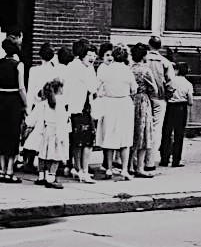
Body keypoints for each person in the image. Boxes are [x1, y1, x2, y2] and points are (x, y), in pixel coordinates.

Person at [95, 45, 137, 180]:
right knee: (124, 137)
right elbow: (134, 89)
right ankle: (124, 169)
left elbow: (97, 87)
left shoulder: (105, 70)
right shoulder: (127, 71)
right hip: (124, 103)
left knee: (109, 136)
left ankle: (108, 168)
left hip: (109, 103)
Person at [0, 37, 27, 183]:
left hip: (1, 99)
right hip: (13, 100)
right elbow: (21, 87)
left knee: (1, 133)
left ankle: (1, 168)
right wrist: (26, 104)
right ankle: (10, 171)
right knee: (13, 134)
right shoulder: (19, 65)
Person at [26, 79, 70, 189]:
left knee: (43, 154)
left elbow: (31, 120)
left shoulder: (42, 104)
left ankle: (42, 176)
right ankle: (51, 177)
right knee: (56, 156)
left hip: (44, 131)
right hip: (56, 131)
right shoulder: (60, 103)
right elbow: (63, 119)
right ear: (59, 89)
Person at [67, 40, 98, 182]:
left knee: (77, 140)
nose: (92, 58)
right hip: (82, 108)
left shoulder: (72, 66)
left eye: (93, 55)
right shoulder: (83, 69)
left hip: (75, 108)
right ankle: (84, 171)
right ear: (81, 55)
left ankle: (77, 168)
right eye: (89, 55)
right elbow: (93, 87)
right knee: (87, 141)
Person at [143, 36, 175, 171]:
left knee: (142, 126)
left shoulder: (143, 60)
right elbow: (171, 83)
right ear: (160, 47)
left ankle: (138, 159)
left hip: (144, 96)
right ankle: (150, 161)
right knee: (156, 130)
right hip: (159, 97)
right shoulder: (165, 62)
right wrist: (167, 95)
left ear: (148, 45)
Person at [129, 43, 156, 178]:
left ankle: (129, 165)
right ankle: (140, 166)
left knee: (131, 133)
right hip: (142, 101)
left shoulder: (128, 69)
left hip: (129, 101)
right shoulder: (145, 70)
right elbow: (154, 89)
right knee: (143, 134)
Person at [160, 63, 194, 167]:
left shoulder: (171, 82)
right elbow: (190, 101)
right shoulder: (188, 84)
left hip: (170, 107)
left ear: (177, 70)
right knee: (179, 134)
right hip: (181, 108)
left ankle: (164, 159)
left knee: (167, 133)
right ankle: (176, 160)